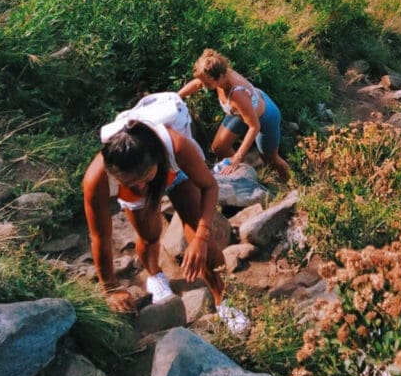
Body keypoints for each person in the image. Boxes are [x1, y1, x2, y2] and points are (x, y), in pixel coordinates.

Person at [82, 115, 248, 333]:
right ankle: (155, 275)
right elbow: (99, 237)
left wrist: (201, 237)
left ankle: (224, 300)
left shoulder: (176, 146)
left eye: (144, 178)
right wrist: (110, 288)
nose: (141, 186)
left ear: (156, 160)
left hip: (175, 174)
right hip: (145, 180)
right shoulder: (96, 179)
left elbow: (210, 186)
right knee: (149, 237)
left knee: (205, 247)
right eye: (130, 182)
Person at [179, 49, 290, 182]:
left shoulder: (237, 94)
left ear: (220, 77)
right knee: (219, 148)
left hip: (265, 117)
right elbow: (198, 82)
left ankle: (291, 183)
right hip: (241, 111)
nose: (204, 86)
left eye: (207, 84)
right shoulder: (219, 73)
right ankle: (244, 176)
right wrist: (176, 97)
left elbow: (254, 126)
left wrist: (238, 157)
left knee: (270, 159)